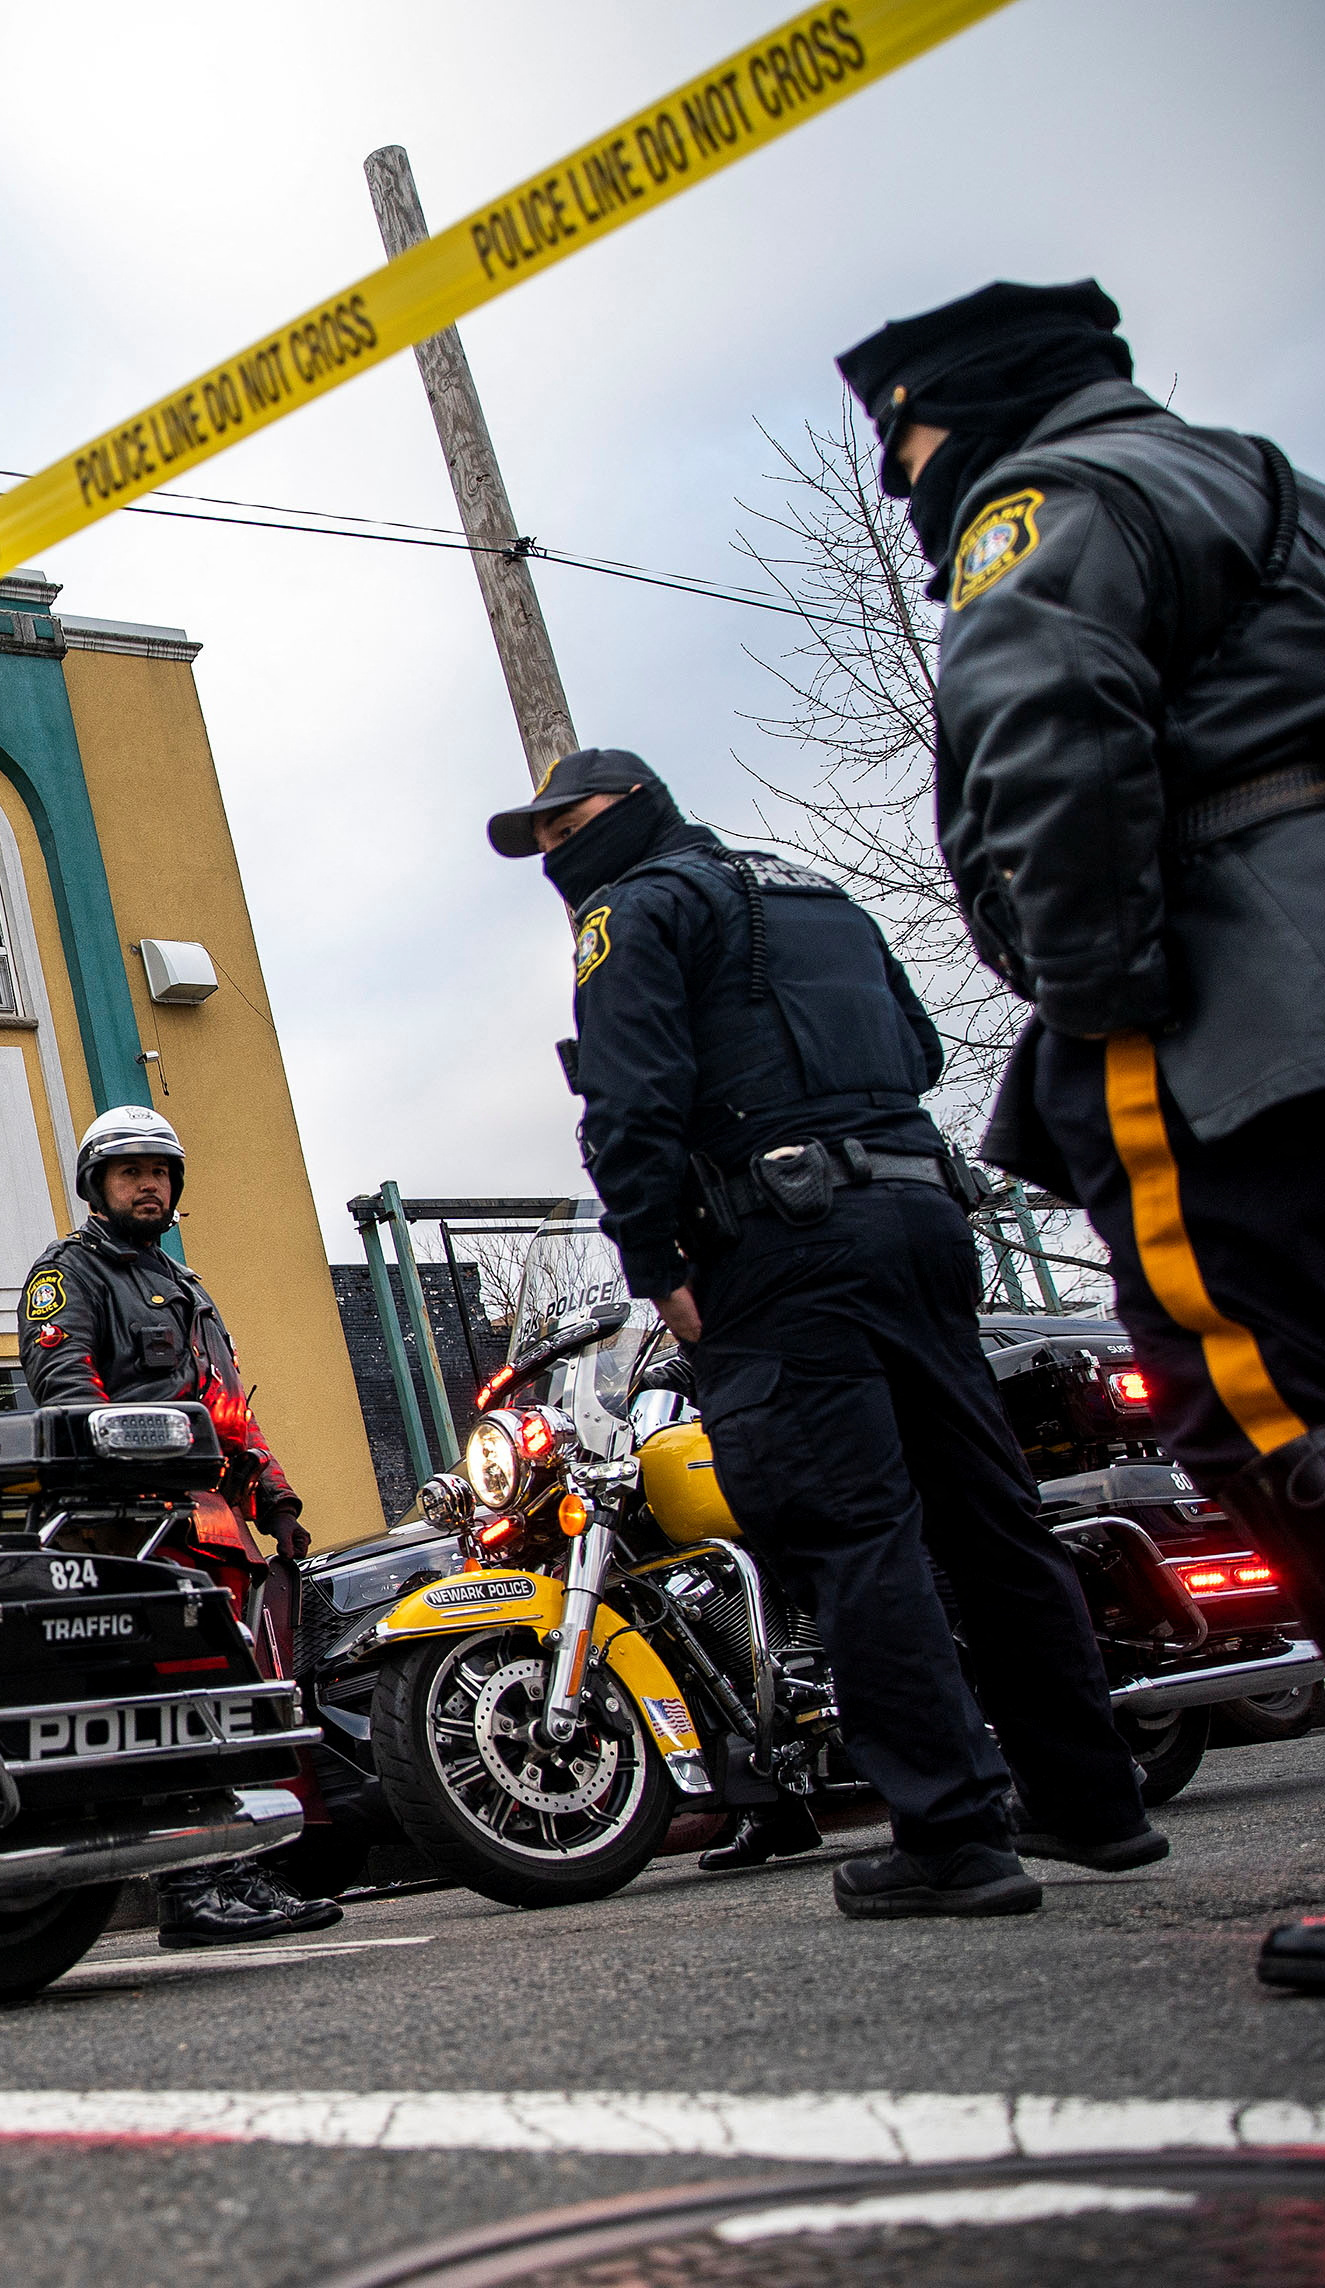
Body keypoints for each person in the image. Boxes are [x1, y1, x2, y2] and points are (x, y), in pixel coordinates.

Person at [842, 279, 1325, 1989]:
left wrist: (1090, 985)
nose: (911, 489)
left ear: (976, 411)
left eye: (910, 445)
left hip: (1233, 1014)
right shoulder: (1298, 492)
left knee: (1246, 1387)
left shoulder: (1046, 505)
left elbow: (1048, 756)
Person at [487, 745, 1156, 1916]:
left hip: (782, 1247)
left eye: (564, 823)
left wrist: (657, 1260)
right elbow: (920, 1049)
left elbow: (630, 1104)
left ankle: (953, 1838)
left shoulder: (630, 911)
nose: (551, 850)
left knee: (851, 1536)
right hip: (917, 1216)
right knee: (989, 1518)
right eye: (536, 836)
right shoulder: (811, 894)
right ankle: (1091, 1800)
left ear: (635, 806)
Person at [19, 1104, 342, 1946]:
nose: (149, 1183)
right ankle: (196, 1885)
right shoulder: (69, 1274)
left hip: (217, 1529)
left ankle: (238, 1871)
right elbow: (69, 1396)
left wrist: (277, 1494)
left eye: (160, 1171)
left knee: (232, 1704)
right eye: (130, 1171)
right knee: (176, 1704)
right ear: (98, 1184)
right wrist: (132, 1484)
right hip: (140, 1535)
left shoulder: (186, 1285)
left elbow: (227, 1405)